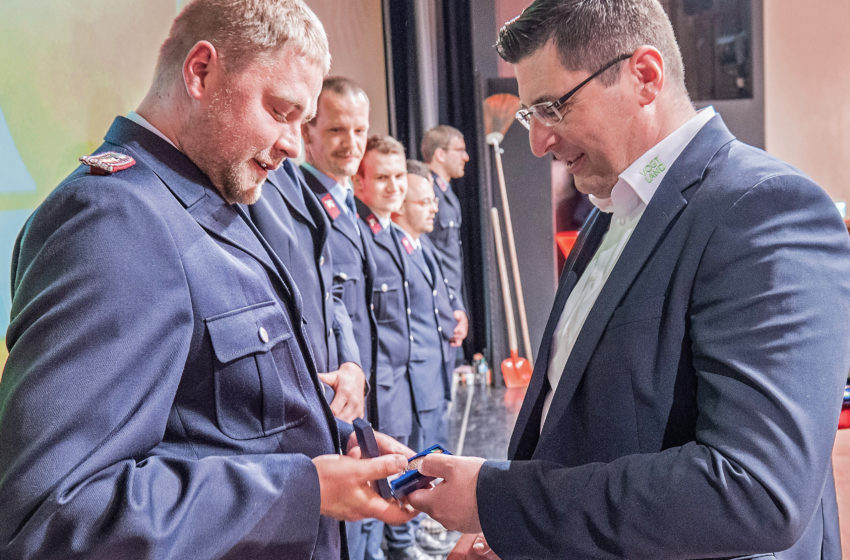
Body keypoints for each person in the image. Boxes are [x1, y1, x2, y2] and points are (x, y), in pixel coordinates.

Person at [408, 1, 850, 559]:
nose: (538, 142)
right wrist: (524, 534)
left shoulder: (763, 209)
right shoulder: (608, 213)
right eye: (529, 115)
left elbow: (755, 492)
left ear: (644, 76)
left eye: (552, 107)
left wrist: (498, 499)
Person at [0, 1, 415, 558]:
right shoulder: (114, 222)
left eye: (302, 120)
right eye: (279, 111)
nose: (295, 145)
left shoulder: (216, 197)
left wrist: (339, 446)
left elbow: (214, 419)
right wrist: (304, 489)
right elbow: (54, 511)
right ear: (200, 71)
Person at [353, 136, 433, 560]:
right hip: (376, 389)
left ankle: (399, 545)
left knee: (397, 480)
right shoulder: (360, 233)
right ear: (359, 182)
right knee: (371, 489)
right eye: (382, 177)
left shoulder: (393, 233)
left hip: (401, 385)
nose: (394, 187)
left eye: (399, 176)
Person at [249, 156, 367, 423]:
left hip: (332, 397)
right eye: (279, 113)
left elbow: (329, 291)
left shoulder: (291, 174)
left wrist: (351, 363)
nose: (292, 142)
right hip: (284, 411)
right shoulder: (248, 177)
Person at [393, 160, 463, 454]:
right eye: (424, 202)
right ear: (400, 205)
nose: (434, 208)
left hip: (437, 378)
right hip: (415, 391)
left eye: (434, 200)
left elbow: (443, 287)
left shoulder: (424, 245)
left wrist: (455, 312)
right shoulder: (392, 251)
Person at [421, 125, 470, 362]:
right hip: (438, 302)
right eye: (459, 150)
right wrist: (449, 302)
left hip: (451, 299)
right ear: (440, 154)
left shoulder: (447, 193)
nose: (466, 156)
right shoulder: (427, 193)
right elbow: (433, 256)